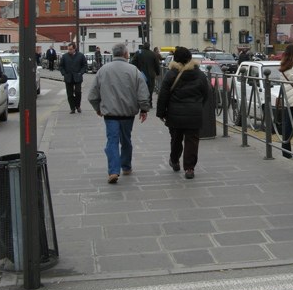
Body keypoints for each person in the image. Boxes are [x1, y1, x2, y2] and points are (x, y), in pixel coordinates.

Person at [88, 43, 150, 184]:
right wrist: (144, 108)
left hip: (110, 114)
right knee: (126, 139)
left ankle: (113, 171)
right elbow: (143, 93)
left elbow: (92, 95)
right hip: (128, 113)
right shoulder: (134, 71)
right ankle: (126, 166)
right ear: (125, 54)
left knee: (112, 141)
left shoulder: (103, 70)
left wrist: (98, 108)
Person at [156, 46, 209, 179]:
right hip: (194, 112)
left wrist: (161, 112)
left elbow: (163, 94)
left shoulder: (171, 74)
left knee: (176, 139)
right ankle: (189, 168)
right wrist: (198, 106)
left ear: (175, 59)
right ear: (190, 58)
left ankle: (174, 160)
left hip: (175, 113)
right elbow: (206, 93)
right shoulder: (199, 74)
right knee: (192, 140)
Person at [59, 42, 88, 113]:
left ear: (74, 49)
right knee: (70, 94)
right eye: (68, 49)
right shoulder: (65, 56)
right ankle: (72, 108)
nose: (69, 51)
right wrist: (64, 73)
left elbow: (84, 65)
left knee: (78, 92)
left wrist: (81, 72)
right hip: (68, 77)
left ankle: (78, 106)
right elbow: (61, 66)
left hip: (77, 76)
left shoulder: (80, 56)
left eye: (71, 49)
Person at [131, 41, 161, 106]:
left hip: (140, 74)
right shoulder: (153, 54)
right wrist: (158, 73)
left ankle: (141, 102)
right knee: (150, 88)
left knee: (140, 88)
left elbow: (133, 62)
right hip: (151, 74)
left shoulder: (138, 53)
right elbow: (157, 65)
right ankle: (149, 102)